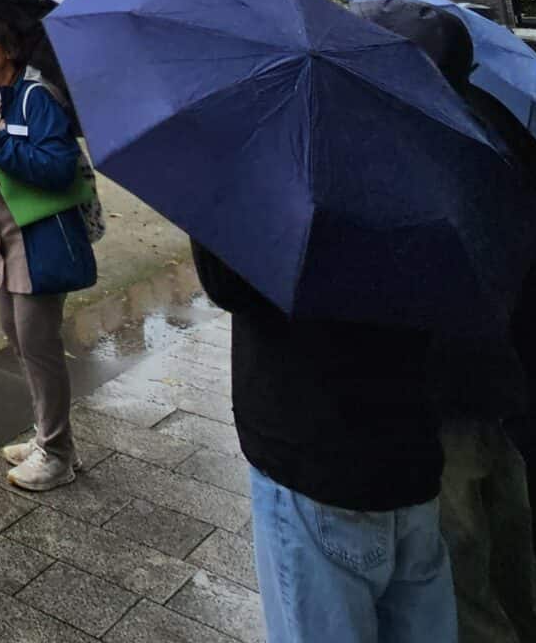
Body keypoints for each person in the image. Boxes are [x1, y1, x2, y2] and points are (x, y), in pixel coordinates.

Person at [361, 0, 536, 643]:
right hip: (524, 366)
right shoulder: (488, 115)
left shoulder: (443, 145)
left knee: (483, 569)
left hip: (480, 389)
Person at [193, 238, 456, 643]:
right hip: (413, 448)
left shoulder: (277, 173)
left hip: (312, 454)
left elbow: (228, 281)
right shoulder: (432, 177)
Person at [0, 7, 97, 492]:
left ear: (10, 50)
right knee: (17, 338)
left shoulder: (38, 100)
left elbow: (60, 167)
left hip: (37, 241)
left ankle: (57, 453)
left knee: (38, 345)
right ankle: (47, 435)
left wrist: (1, 148)